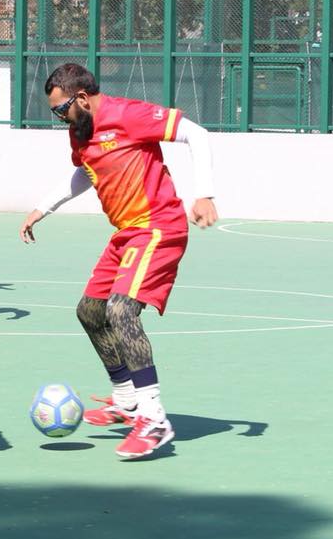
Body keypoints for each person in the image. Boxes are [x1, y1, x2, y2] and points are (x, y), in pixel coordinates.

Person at [18, 63, 219, 460]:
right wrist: (43, 208)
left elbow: (197, 134)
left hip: (157, 227)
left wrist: (205, 193)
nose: (59, 118)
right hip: (125, 234)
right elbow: (86, 174)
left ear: (80, 98)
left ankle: (155, 418)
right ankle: (127, 398)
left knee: (121, 310)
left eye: (61, 110)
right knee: (90, 311)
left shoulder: (127, 114)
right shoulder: (81, 131)